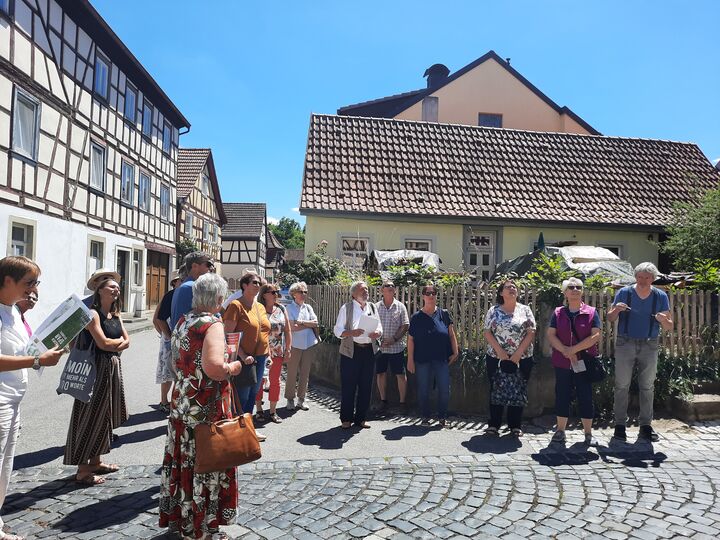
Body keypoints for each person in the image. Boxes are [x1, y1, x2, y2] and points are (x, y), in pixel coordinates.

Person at [159, 273, 243, 539]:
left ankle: (184, 519)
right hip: (206, 406)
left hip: (183, 402)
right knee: (208, 463)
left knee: (185, 461)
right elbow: (216, 369)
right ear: (219, 299)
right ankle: (204, 526)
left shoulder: (184, 321)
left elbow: (174, 363)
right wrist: (235, 366)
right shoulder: (212, 325)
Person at [0, 256, 63, 540]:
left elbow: (22, 349)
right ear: (8, 281)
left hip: (13, 399)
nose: (33, 289)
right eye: (29, 283)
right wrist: (36, 360)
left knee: (6, 465)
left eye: (36, 283)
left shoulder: (12, 310)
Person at [64, 277, 130, 485]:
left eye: (118, 287)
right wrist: (117, 344)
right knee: (89, 414)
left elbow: (126, 341)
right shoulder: (92, 314)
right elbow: (102, 343)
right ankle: (83, 470)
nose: (116, 290)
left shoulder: (115, 315)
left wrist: (116, 344)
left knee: (105, 415)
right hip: (95, 369)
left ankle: (96, 461)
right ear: (99, 291)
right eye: (112, 287)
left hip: (111, 369)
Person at [607, 262, 673, 442]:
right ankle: (619, 425)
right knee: (621, 385)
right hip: (625, 342)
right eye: (640, 277)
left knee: (647, 386)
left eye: (647, 277)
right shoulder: (624, 293)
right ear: (635, 277)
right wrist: (617, 310)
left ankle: (645, 426)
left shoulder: (660, 296)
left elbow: (669, 326)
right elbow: (610, 317)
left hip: (649, 344)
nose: (643, 281)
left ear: (653, 278)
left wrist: (662, 320)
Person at [546, 278, 602, 446]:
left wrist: (574, 350)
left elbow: (596, 335)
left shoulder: (591, 312)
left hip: (584, 361)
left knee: (585, 395)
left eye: (579, 287)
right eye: (571, 287)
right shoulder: (558, 313)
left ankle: (588, 434)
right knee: (562, 394)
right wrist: (564, 350)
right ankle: (560, 431)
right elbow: (550, 334)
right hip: (562, 362)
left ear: (582, 292)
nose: (575, 289)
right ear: (565, 292)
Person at [483, 278, 536, 437]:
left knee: (518, 389)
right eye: (508, 287)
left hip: (522, 358)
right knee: (496, 389)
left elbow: (531, 331)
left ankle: (515, 425)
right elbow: (487, 332)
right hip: (496, 357)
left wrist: (518, 353)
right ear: (501, 292)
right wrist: (500, 351)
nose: (512, 288)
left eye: (514, 287)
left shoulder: (525, 310)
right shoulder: (494, 310)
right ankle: (494, 424)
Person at [407, 284, 459, 427]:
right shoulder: (416, 317)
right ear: (423, 296)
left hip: (441, 358)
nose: (430, 296)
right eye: (427, 293)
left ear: (436, 296)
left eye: (433, 293)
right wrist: (410, 359)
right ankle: (425, 416)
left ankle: (442, 417)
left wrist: (455, 351)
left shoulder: (444, 314)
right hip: (422, 359)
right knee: (423, 389)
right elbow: (411, 339)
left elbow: (451, 333)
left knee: (444, 389)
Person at [333, 281, 383, 429]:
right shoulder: (346, 308)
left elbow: (379, 325)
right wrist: (351, 332)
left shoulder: (372, 307)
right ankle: (346, 419)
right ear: (354, 294)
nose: (366, 292)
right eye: (363, 290)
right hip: (351, 351)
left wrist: (378, 333)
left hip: (368, 350)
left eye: (367, 289)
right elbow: (337, 330)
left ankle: (361, 418)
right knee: (349, 385)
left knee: (366, 386)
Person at [222, 272, 270, 418]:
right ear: (244, 285)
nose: (258, 286)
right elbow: (227, 335)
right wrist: (242, 355)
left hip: (260, 357)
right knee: (242, 395)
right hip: (244, 360)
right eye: (254, 282)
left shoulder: (260, 307)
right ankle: (237, 427)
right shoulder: (236, 306)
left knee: (254, 393)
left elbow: (265, 331)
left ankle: (247, 426)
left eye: (259, 283)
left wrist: (269, 354)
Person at [255, 284, 292, 422]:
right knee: (259, 380)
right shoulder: (258, 309)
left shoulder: (281, 308)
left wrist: (288, 349)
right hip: (261, 350)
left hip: (277, 350)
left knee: (275, 381)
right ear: (264, 294)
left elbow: (287, 331)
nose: (276, 294)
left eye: (277, 292)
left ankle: (272, 411)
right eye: (273, 292)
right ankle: (259, 410)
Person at [375, 281, 410, 411]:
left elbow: (405, 325)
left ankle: (402, 403)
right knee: (380, 374)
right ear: (381, 290)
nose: (390, 288)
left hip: (397, 348)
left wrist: (394, 339)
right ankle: (383, 401)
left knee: (400, 375)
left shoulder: (400, 307)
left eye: (392, 286)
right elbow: (372, 324)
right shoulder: (376, 307)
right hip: (381, 348)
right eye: (387, 286)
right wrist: (379, 340)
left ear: (395, 290)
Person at [285, 281, 319, 411]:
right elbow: (292, 327)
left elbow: (315, 323)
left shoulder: (308, 307)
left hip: (309, 344)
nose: (304, 294)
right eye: (301, 292)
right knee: (292, 373)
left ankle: (301, 399)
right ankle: (290, 399)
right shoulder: (289, 308)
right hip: (294, 344)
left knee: (305, 373)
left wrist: (301, 322)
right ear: (294, 294)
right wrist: (306, 324)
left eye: (305, 292)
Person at [153, 269, 184, 413]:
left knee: (178, 373)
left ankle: (174, 401)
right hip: (169, 338)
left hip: (179, 338)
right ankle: (164, 401)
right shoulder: (170, 295)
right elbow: (156, 319)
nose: (183, 282)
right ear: (174, 282)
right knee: (167, 372)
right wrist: (167, 336)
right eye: (180, 280)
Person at [170, 251, 214, 331]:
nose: (211, 268)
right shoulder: (193, 287)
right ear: (194, 266)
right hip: (192, 340)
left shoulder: (183, 286)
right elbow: (211, 316)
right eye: (208, 264)